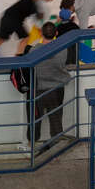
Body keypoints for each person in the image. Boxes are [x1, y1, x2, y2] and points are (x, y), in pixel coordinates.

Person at [27, 22, 71, 152]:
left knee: (34, 119)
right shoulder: (63, 49)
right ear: (56, 34)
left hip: (38, 90)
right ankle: (57, 147)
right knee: (56, 118)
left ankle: (31, 147)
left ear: (41, 33)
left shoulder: (33, 50)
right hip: (56, 90)